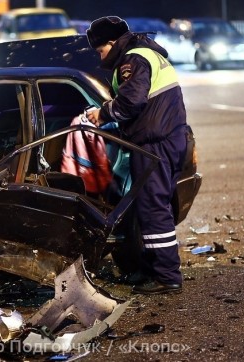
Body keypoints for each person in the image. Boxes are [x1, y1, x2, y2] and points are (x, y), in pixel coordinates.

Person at [85, 16, 190, 295]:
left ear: (111, 42)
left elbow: (132, 101)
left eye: (100, 51)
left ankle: (167, 276)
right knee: (150, 208)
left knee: (154, 209)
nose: (100, 57)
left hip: (156, 144)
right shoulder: (147, 54)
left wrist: (102, 113)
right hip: (166, 139)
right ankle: (152, 269)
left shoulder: (134, 60)